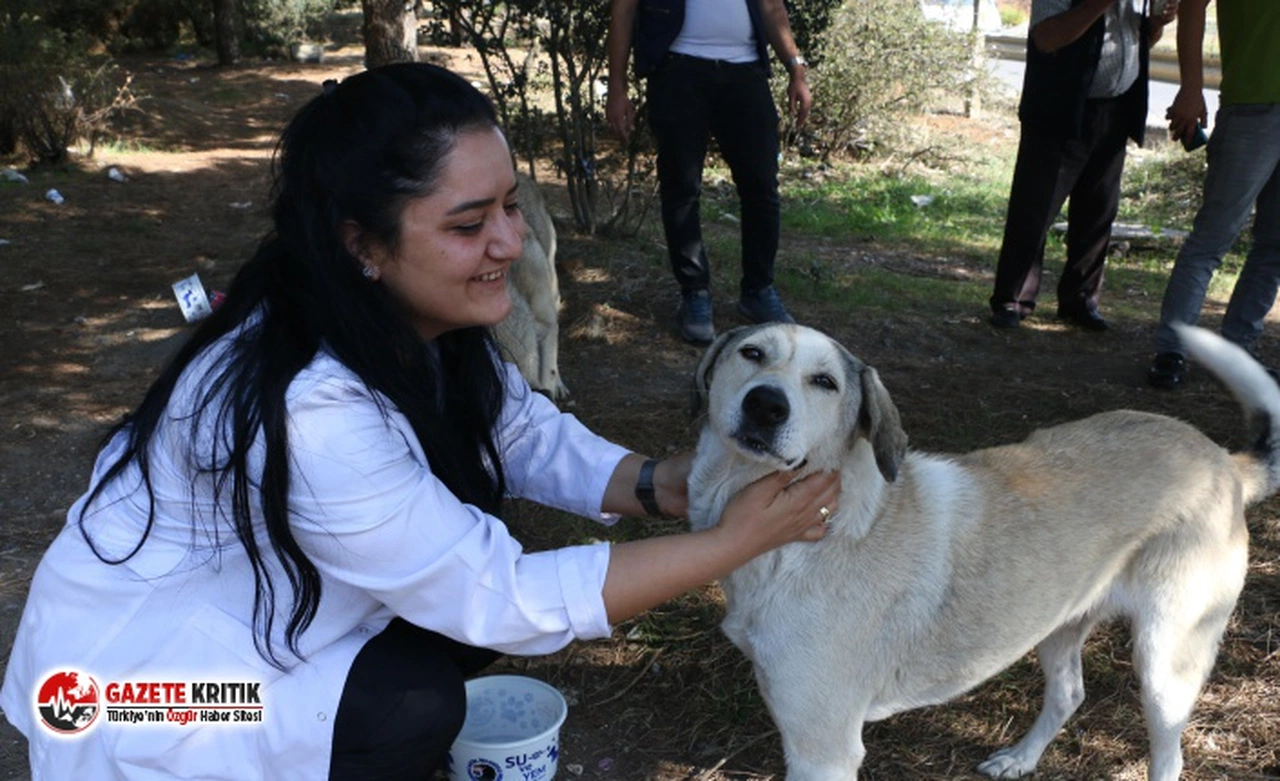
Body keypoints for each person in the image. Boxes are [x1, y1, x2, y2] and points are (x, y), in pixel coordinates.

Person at [0, 63, 840, 780]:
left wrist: (668, 485)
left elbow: (519, 433)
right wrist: (730, 541)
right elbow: (501, 597)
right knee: (414, 700)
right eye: (470, 224)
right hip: (131, 685)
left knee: (438, 653)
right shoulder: (312, 410)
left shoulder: (402, 319)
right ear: (362, 245)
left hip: (260, 615)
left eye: (511, 206)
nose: (511, 242)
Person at [605, 0, 813, 345]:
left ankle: (758, 292)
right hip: (677, 70)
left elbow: (772, 6)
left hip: (745, 73)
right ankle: (695, 294)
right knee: (681, 188)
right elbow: (624, 9)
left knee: (761, 186)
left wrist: (796, 68)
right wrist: (617, 87)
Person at [988, 0, 1177, 331]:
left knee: (1098, 210)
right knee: (1035, 209)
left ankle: (1080, 299)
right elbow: (1047, 37)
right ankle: (1012, 299)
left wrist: (1157, 24)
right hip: (1061, 109)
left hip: (1116, 107)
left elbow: (1134, 42)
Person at [1146, 0, 1280, 389]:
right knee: (1212, 239)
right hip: (1251, 110)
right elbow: (1191, 6)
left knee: (1274, 247)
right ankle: (1172, 350)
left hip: (1256, 113)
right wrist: (1191, 88)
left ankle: (1237, 354)